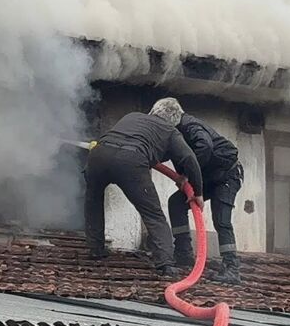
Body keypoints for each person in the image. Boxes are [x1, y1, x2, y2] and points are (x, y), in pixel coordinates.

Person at [84, 110, 204, 277]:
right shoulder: (170, 130)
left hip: (99, 154)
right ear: (174, 121)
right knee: (153, 214)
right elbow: (189, 158)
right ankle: (166, 264)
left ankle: (95, 249)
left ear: (153, 112)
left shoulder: (132, 116)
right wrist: (197, 191)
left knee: (93, 201)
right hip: (131, 160)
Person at [149, 98, 246, 285]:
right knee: (176, 202)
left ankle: (232, 268)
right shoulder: (175, 133)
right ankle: (183, 252)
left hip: (227, 175)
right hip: (210, 177)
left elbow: (205, 147)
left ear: (168, 119)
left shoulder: (190, 126)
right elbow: (164, 154)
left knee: (221, 219)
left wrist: (187, 174)